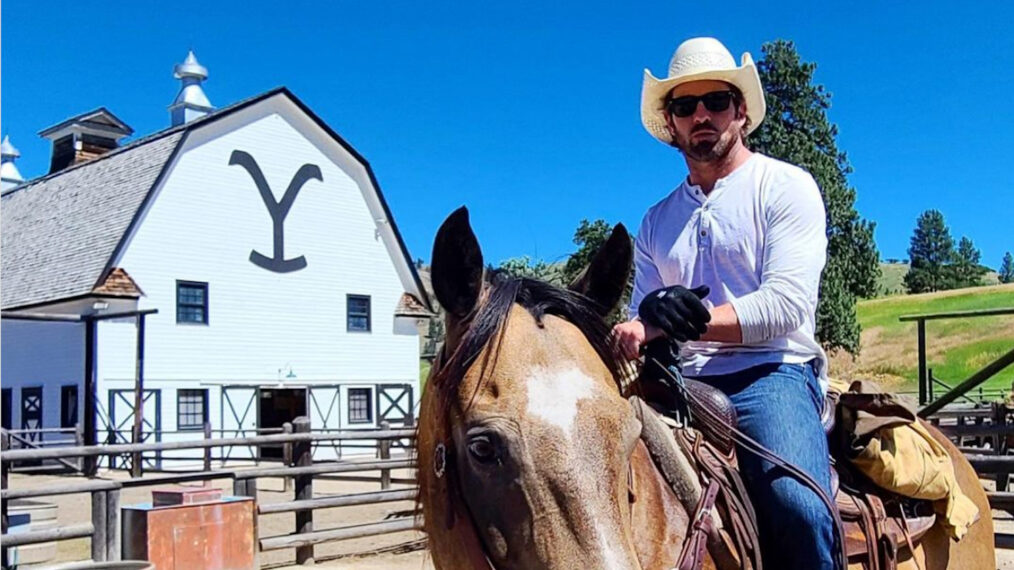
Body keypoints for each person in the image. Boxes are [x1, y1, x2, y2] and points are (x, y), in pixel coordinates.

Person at [612, 37, 834, 569]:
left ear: (740, 111)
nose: (701, 115)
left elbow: (787, 306)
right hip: (678, 380)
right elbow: (645, 317)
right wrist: (640, 325)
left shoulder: (784, 187)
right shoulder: (655, 221)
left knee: (798, 505)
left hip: (771, 372)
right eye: (685, 106)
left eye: (714, 101)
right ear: (671, 123)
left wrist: (687, 321)